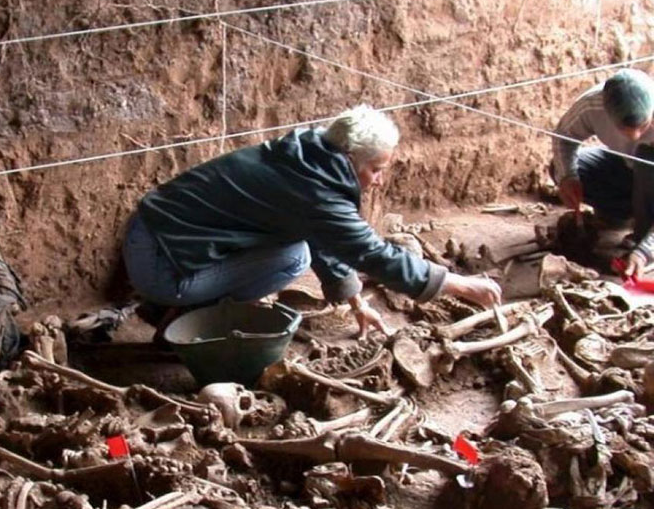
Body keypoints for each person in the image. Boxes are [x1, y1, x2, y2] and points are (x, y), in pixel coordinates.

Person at [123, 105, 502, 337]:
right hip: (161, 266)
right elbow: (370, 253)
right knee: (295, 257)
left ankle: (183, 308)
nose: (379, 180)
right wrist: (458, 285)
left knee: (300, 245)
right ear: (351, 158)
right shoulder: (315, 190)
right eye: (375, 169)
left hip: (157, 238)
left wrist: (355, 302)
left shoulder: (306, 157)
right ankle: (191, 314)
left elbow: (324, 232)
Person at [552, 68, 654, 277]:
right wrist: (568, 177)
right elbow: (563, 136)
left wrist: (646, 250)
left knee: (645, 155)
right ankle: (620, 214)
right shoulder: (593, 104)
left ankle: (642, 235)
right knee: (562, 168)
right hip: (624, 168)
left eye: (643, 127)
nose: (634, 137)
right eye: (624, 128)